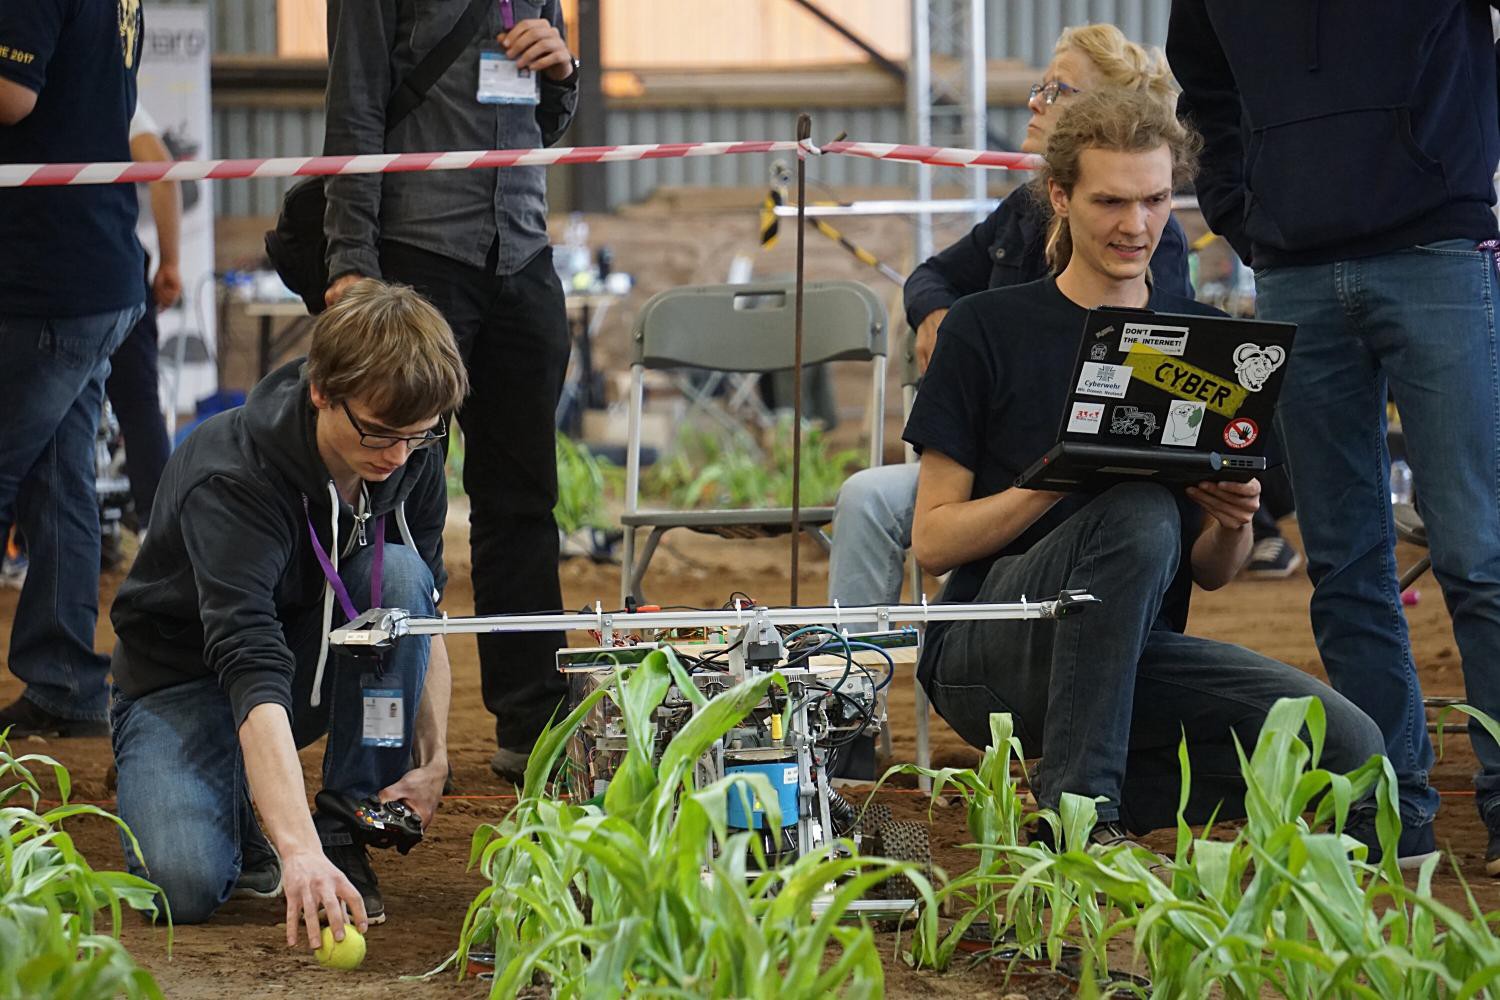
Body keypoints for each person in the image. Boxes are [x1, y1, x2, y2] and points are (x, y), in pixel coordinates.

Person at [904, 88, 1384, 840]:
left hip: (1127, 652)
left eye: (1157, 199)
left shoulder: (1208, 341)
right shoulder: (986, 327)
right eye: (1109, 202)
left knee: (1348, 749)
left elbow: (1214, 570)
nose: (1136, 225)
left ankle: (1097, 792)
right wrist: (1064, 474)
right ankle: (1078, 817)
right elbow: (932, 544)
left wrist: (1232, 520)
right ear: (1059, 197)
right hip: (989, 644)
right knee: (1135, 508)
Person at [1169, 0, 1500, 870]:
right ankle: (1392, 816)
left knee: (1477, 552)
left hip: (1437, 247)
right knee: (1347, 566)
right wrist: (1248, 214)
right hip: (1293, 270)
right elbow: (1202, 87)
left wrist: (1468, 149)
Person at [827, 23, 1291, 616]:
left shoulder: (1153, 255)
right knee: (870, 495)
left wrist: (1234, 524)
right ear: (1061, 197)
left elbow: (1153, 362)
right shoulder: (1018, 221)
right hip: (1002, 480)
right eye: (1042, 86)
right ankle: (846, 678)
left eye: (1057, 90)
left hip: (1093, 505)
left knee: (1139, 514)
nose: (1035, 101)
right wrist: (937, 312)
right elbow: (931, 274)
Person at [109, 281, 468, 940]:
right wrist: (294, 856)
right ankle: (242, 807)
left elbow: (421, 612)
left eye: (416, 437)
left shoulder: (411, 452)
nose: (395, 457)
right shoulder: (233, 476)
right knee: (183, 887)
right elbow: (249, 661)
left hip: (307, 665)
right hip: (185, 680)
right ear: (321, 392)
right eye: (380, 432)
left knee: (403, 576)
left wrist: (435, 757)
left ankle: (342, 823)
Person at [323, 0, 579, 784]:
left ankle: (532, 724)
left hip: (523, 256)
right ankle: (382, 733)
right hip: (417, 256)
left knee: (525, 503)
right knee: (395, 497)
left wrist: (563, 72)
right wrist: (349, 262)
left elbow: (549, 118)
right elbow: (355, 106)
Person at [0, 0, 146, 737]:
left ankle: (64, 676)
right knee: (59, 481)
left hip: (48, 279)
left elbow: (11, 96)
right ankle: (63, 679)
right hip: (94, 268)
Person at [105, 103, 183, 538]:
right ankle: (164, 544)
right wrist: (170, 262)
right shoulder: (110, 79)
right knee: (139, 409)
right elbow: (161, 167)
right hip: (118, 268)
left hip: (39, 272)